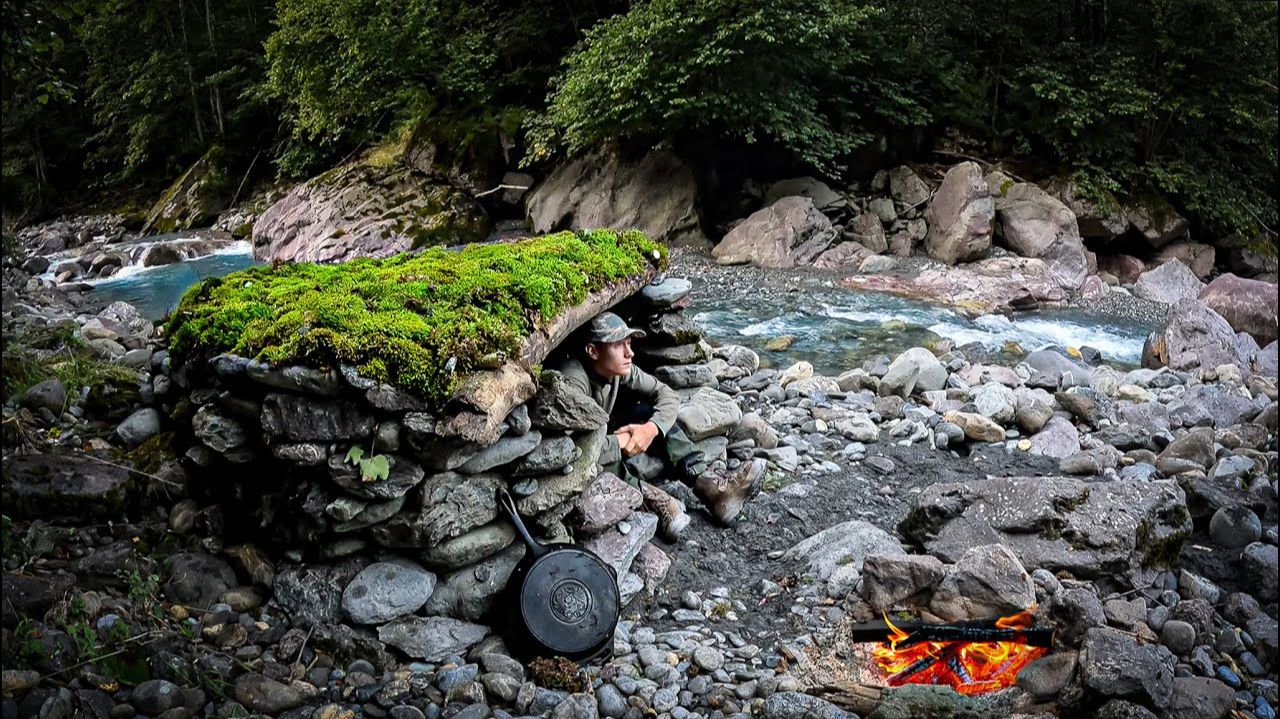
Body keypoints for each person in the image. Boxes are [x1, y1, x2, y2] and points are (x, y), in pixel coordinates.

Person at [550, 312, 765, 541]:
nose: (629, 352)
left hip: (602, 428)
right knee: (603, 463)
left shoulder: (616, 369)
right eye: (618, 345)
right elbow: (571, 450)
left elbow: (666, 394)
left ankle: (711, 488)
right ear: (593, 351)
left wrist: (650, 429)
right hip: (580, 449)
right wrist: (618, 444)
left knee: (645, 412)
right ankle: (651, 502)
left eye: (629, 343)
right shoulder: (572, 382)